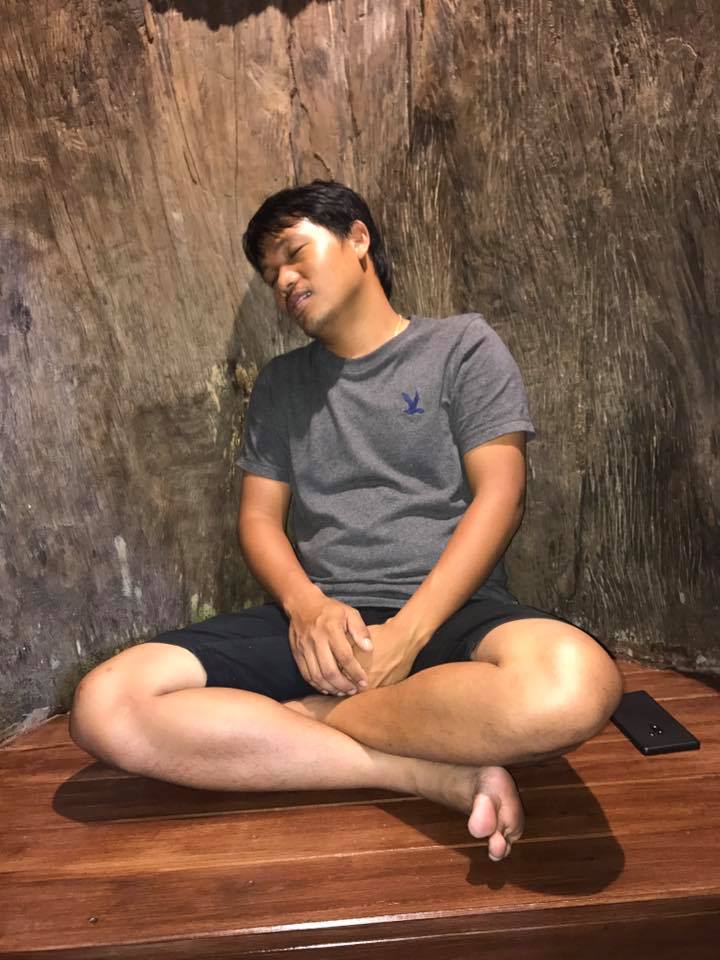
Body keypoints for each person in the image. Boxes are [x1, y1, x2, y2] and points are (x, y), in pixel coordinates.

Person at [69, 180, 623, 863]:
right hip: (321, 624)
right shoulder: (281, 384)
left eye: (294, 253)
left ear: (358, 238)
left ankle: (306, 719)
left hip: (451, 612)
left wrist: (407, 634)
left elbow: (501, 497)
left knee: (575, 684)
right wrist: (306, 608)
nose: (283, 281)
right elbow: (259, 520)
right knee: (106, 704)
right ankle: (417, 772)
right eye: (270, 274)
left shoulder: (461, 346)